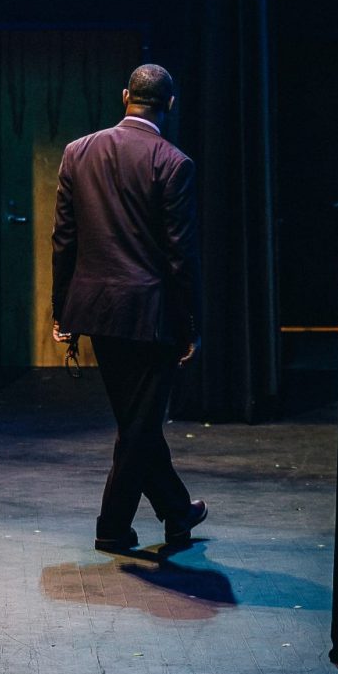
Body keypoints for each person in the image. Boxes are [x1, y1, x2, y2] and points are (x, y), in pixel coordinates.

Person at [51, 64, 210, 553]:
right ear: (170, 105)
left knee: (134, 423)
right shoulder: (173, 162)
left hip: (98, 311)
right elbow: (181, 254)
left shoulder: (77, 152)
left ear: (125, 96)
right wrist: (190, 324)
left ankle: (176, 512)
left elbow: (64, 240)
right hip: (151, 315)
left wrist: (63, 311)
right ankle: (112, 527)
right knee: (140, 424)